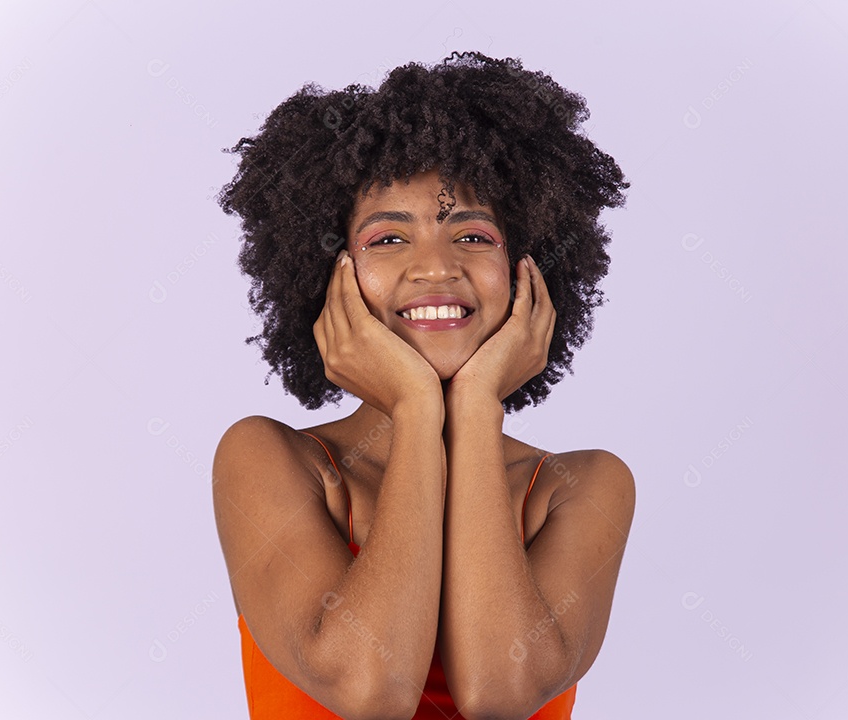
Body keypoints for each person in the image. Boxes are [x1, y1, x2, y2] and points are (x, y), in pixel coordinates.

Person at [212, 51, 636, 720]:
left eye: (471, 233)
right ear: (328, 276)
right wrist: (415, 409)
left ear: (527, 269)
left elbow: (500, 693)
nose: (435, 268)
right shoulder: (269, 461)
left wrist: (472, 409)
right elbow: (369, 689)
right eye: (387, 240)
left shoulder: (580, 488)